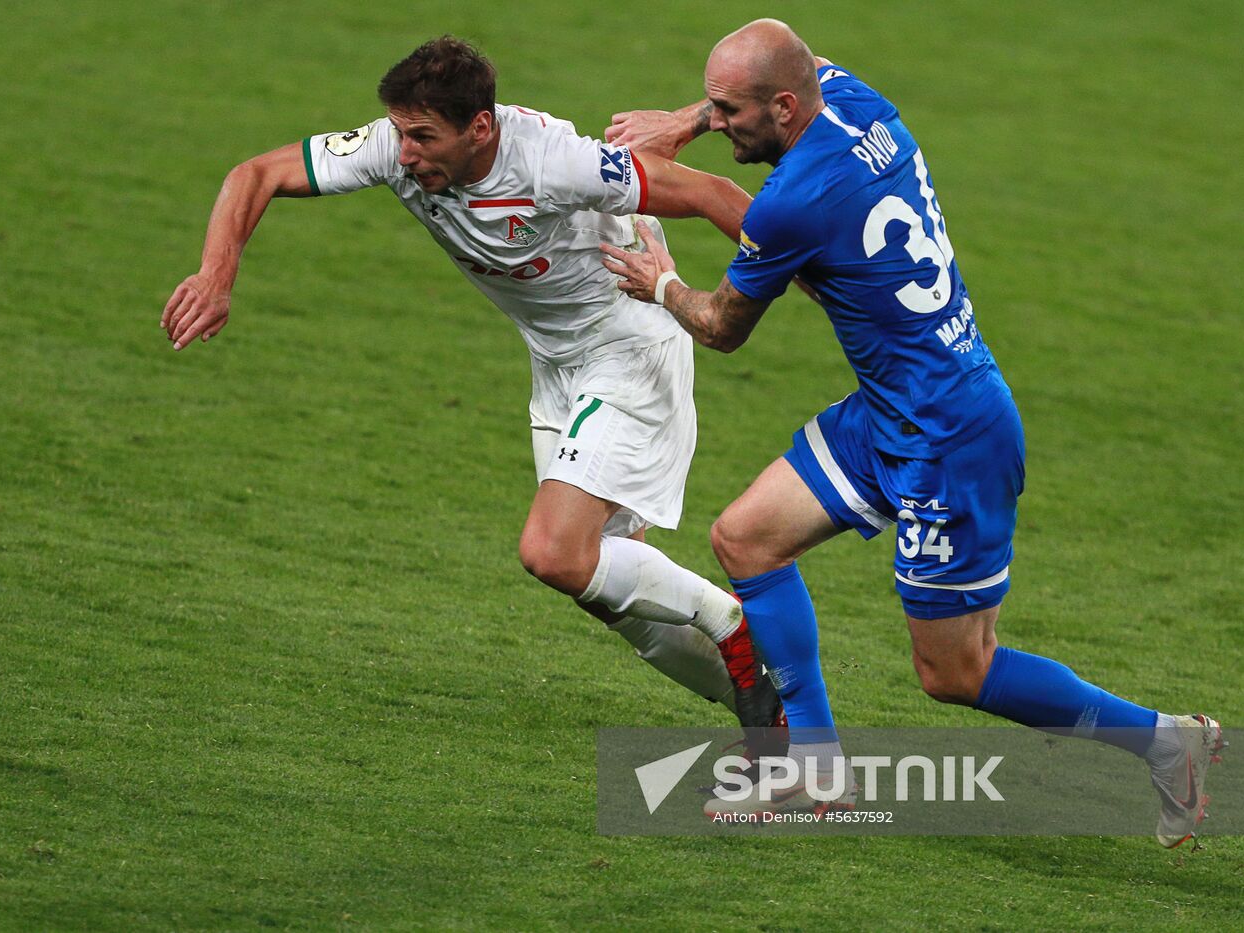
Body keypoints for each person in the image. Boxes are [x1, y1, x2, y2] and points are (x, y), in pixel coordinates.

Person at [601, 19, 1222, 845]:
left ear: (783, 109)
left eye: (730, 110)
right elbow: (808, 61)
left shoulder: (791, 204)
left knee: (955, 672)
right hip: (897, 404)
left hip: (950, 434)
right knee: (746, 539)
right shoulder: (861, 103)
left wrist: (661, 280)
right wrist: (691, 120)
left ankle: (1167, 742)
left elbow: (718, 326)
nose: (721, 122)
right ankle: (814, 774)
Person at [162, 36, 788, 737]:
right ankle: (766, 712)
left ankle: (729, 626)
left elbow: (714, 194)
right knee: (609, 590)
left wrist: (820, 282)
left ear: (480, 129)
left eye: (422, 137)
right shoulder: (395, 150)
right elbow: (254, 174)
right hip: (557, 367)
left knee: (554, 552)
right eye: (400, 133)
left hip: (631, 347)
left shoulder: (556, 161)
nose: (404, 155)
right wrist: (216, 275)